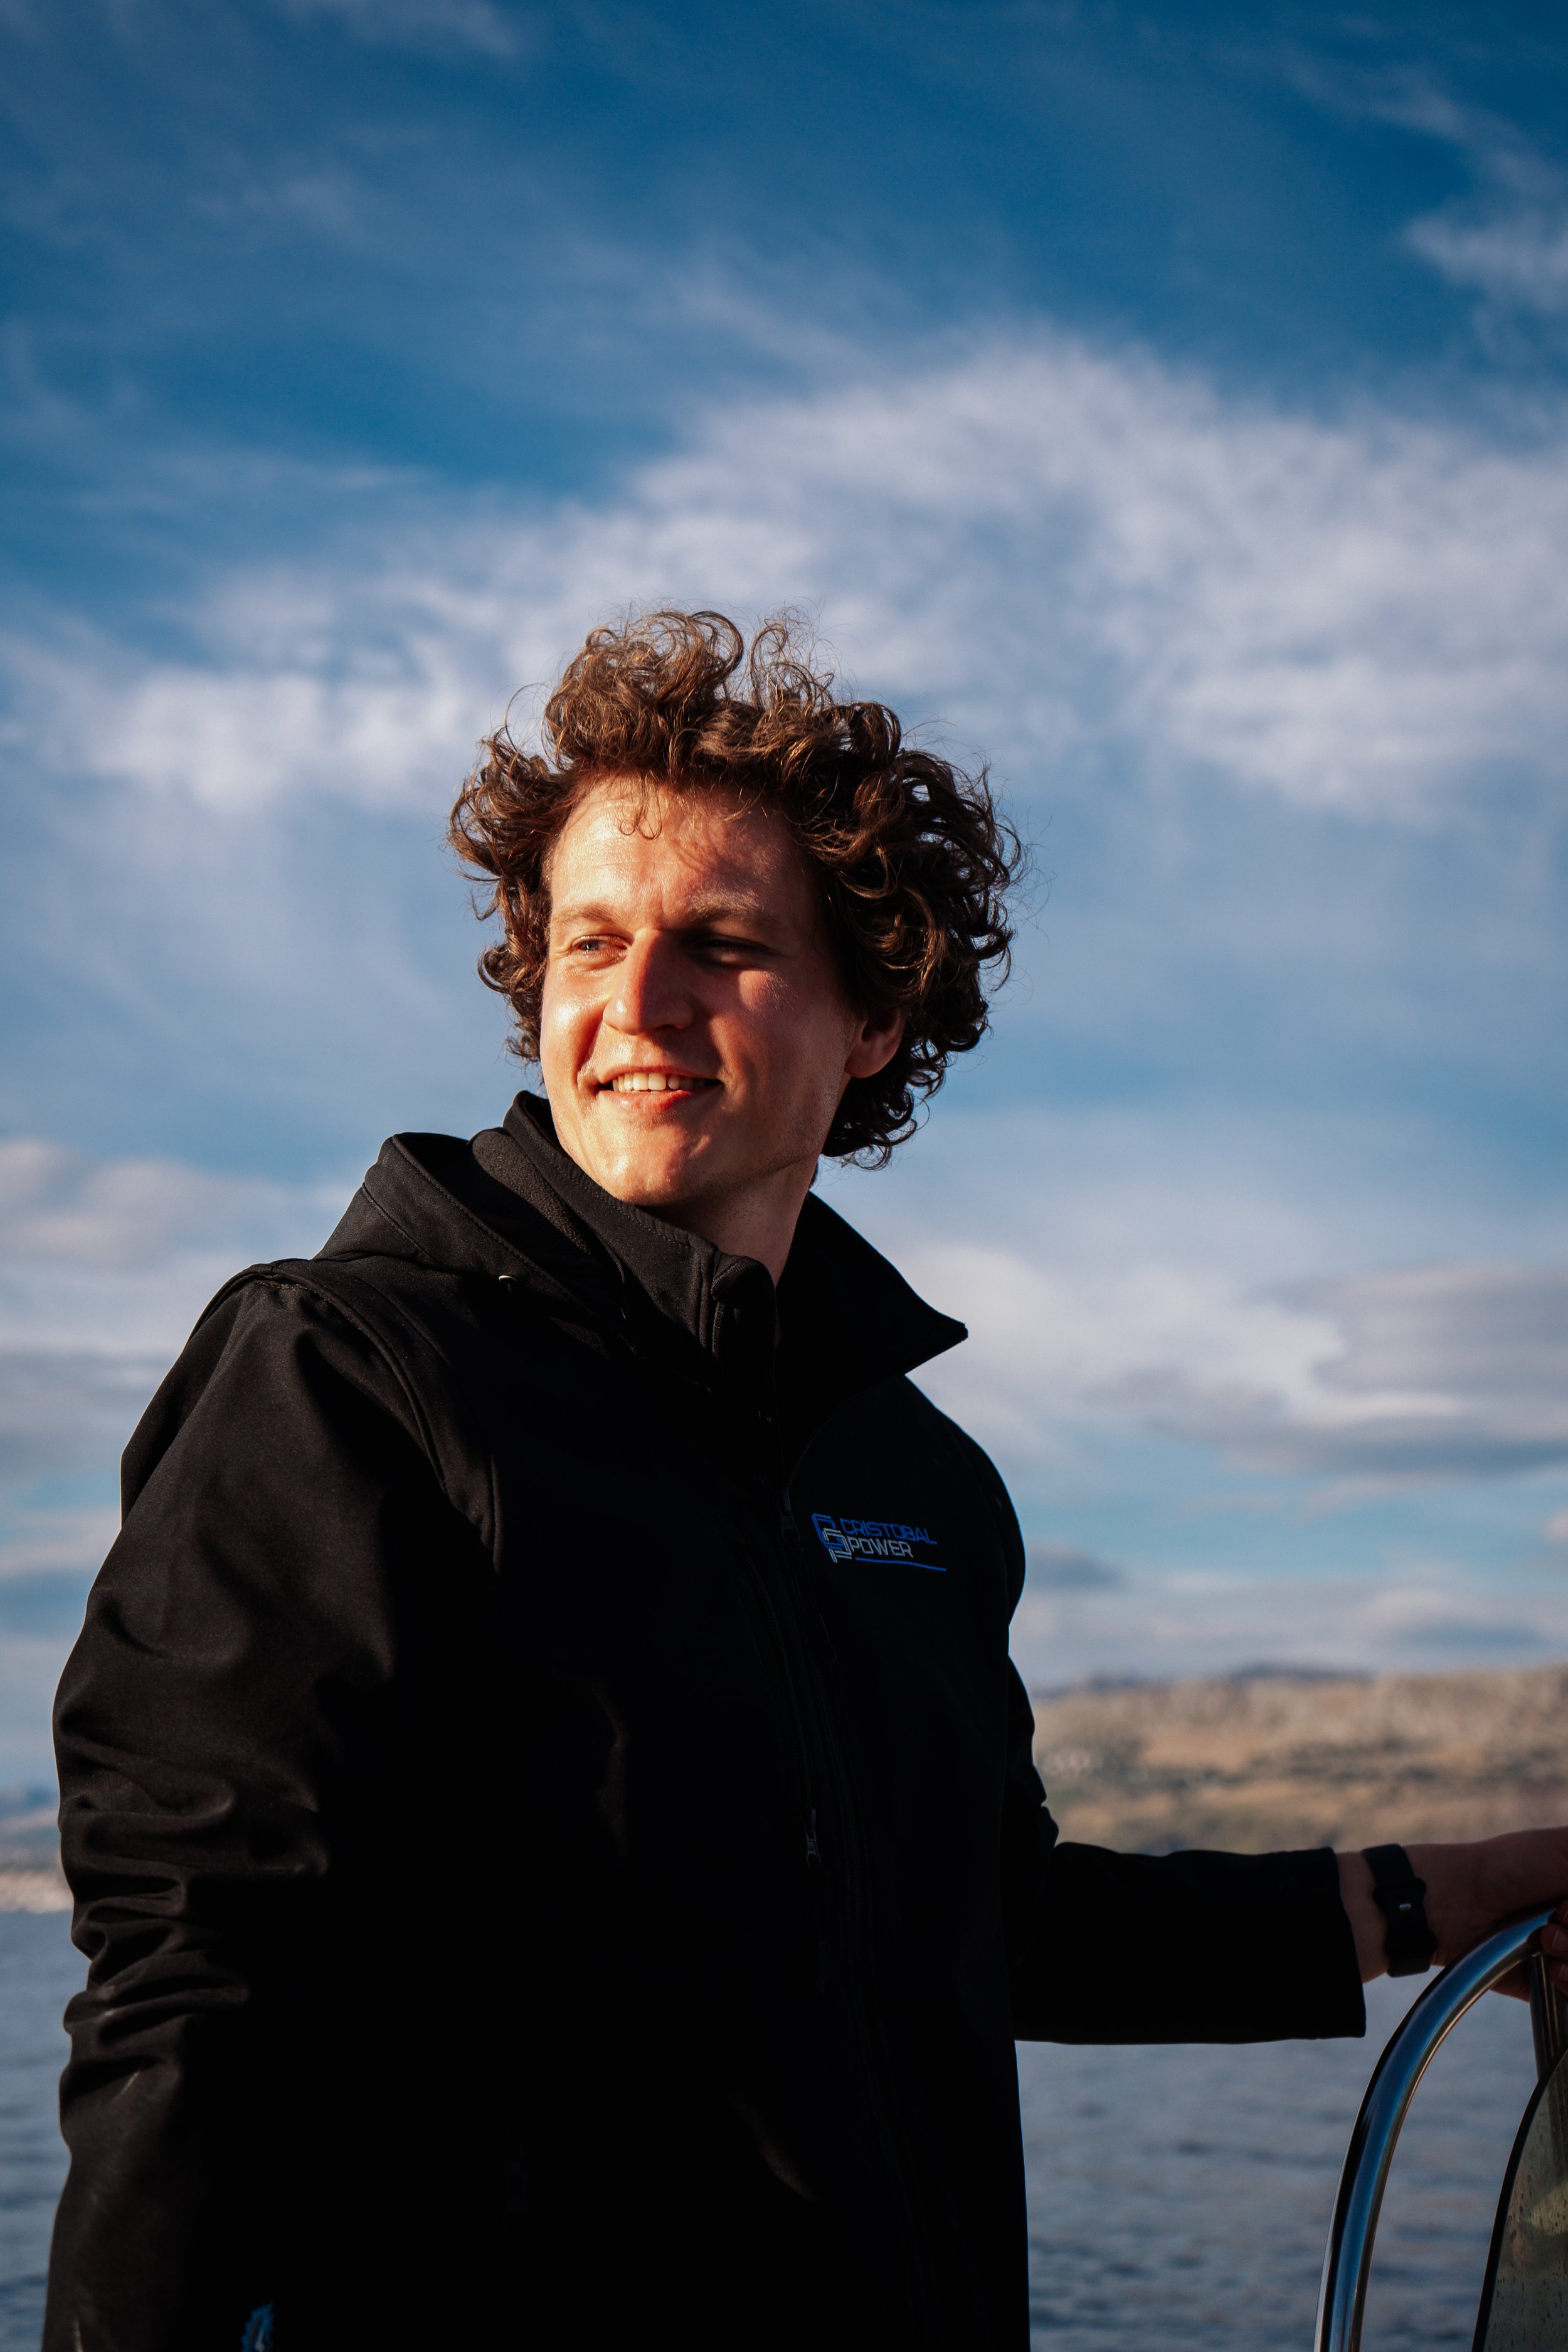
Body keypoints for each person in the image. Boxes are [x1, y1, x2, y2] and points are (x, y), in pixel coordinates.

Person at [44, 610, 1568, 2352]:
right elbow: (203, 1996)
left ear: (873, 1015)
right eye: (589, 945)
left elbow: (988, 1927)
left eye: (721, 944)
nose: (635, 1006)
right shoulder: (347, 1376)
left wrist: (1456, 1893)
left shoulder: (914, 1477)